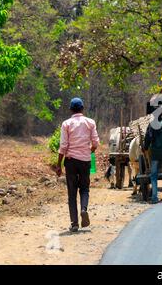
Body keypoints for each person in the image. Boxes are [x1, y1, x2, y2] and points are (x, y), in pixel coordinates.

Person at [56, 98, 100, 232]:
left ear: (71, 109)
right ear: (82, 109)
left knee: (72, 192)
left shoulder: (66, 124)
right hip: (85, 160)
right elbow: (95, 143)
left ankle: (74, 223)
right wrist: (89, 151)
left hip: (70, 161)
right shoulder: (90, 122)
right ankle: (84, 209)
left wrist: (59, 164)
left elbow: (63, 145)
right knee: (85, 189)